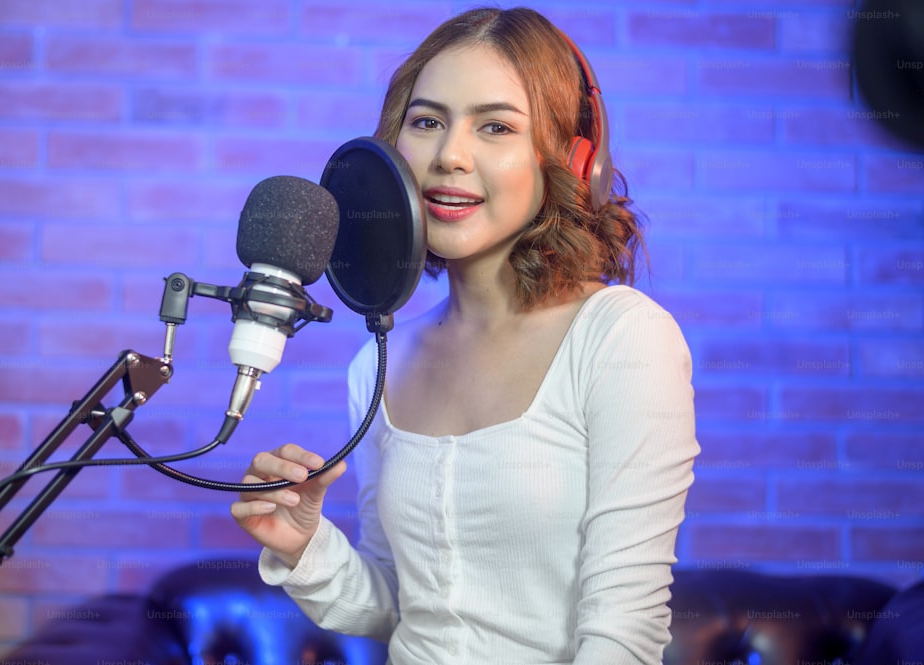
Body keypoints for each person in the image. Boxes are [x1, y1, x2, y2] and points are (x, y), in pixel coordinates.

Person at [230, 6, 699, 664]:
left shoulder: (622, 339)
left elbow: (626, 626)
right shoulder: (379, 363)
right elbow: (402, 603)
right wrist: (306, 543)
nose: (449, 155)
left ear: (571, 157)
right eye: (427, 122)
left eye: (496, 126)